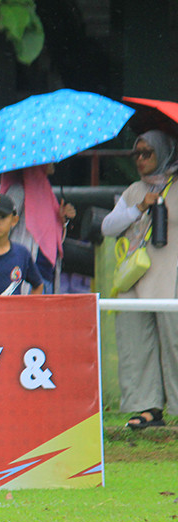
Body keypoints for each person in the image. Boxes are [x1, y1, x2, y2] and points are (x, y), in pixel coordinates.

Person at [101, 129, 178, 430]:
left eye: (148, 153)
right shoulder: (134, 190)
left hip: (170, 276)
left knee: (174, 342)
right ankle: (148, 408)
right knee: (136, 343)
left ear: (164, 153)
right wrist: (141, 206)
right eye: (137, 153)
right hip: (135, 276)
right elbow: (108, 227)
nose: (141, 159)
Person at [0, 164, 77, 294]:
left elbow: (51, 237)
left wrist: (61, 218)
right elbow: (0, 229)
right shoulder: (18, 191)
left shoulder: (45, 192)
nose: (52, 163)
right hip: (26, 278)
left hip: (46, 275)